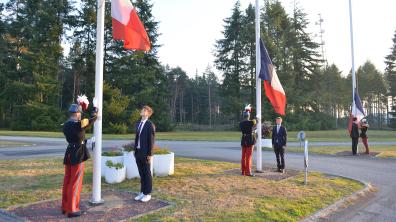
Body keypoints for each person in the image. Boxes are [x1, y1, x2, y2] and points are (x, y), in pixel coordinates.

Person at [62, 104, 97, 218]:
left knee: (67, 181)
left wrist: (86, 141)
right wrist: (94, 112)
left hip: (69, 152)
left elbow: (76, 137)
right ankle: (72, 209)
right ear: (77, 114)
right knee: (75, 182)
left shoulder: (66, 124)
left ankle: (65, 207)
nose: (80, 116)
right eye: (80, 114)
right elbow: (92, 120)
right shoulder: (78, 124)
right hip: (77, 154)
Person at [134, 106, 155, 202]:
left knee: (147, 173)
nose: (142, 111)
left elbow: (151, 140)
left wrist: (150, 154)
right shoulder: (138, 123)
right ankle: (142, 192)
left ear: (148, 113)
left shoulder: (150, 124)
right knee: (141, 173)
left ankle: (148, 193)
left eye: (144, 110)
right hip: (138, 152)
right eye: (142, 109)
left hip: (145, 153)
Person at [239, 110, 257, 176]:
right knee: (248, 157)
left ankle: (243, 172)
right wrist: (255, 118)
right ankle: (248, 172)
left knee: (243, 157)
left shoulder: (241, 123)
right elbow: (255, 126)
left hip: (244, 139)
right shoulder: (252, 122)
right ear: (249, 116)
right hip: (250, 139)